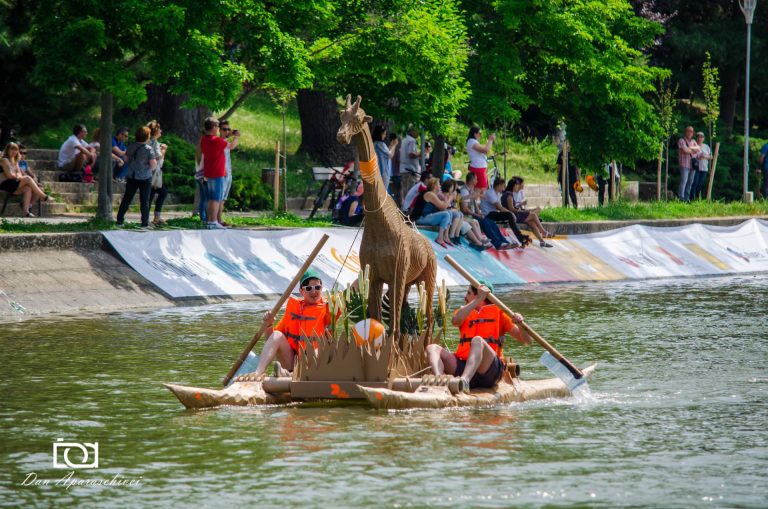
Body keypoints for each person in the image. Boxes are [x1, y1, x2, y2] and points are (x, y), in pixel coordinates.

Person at [425, 281, 531, 391]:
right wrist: (478, 300)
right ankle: (440, 381)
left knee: (478, 341)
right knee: (432, 348)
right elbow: (455, 321)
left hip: (489, 371)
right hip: (463, 366)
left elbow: (527, 341)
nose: (465, 297)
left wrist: (521, 324)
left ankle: (464, 381)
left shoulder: (501, 314)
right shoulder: (463, 312)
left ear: (480, 295)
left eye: (468, 293)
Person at [251, 269, 332, 378]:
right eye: (309, 288)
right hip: (292, 362)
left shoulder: (330, 307)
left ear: (321, 288)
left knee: (318, 349)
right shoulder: (294, 308)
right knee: (277, 335)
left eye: (317, 287)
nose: (314, 291)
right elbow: (270, 339)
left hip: (315, 366)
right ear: (301, 291)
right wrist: (269, 325)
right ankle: (258, 373)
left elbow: (351, 291)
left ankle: (292, 375)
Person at [459, 172, 514, 250]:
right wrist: (477, 214)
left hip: (474, 214)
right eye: (476, 179)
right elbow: (465, 209)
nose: (477, 181)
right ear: (472, 180)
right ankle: (498, 244)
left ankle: (504, 241)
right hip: (469, 215)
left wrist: (479, 212)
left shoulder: (472, 190)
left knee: (491, 222)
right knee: (485, 223)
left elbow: (475, 205)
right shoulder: (465, 191)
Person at [115, 126, 157, 228]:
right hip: (145, 177)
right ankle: (144, 223)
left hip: (132, 176)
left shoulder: (130, 146)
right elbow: (153, 164)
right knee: (145, 201)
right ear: (147, 137)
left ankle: (119, 220)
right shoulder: (148, 149)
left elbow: (126, 158)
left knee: (127, 198)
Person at [1, 142, 51, 216]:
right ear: (7, 150)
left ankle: (26, 211)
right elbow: (9, 175)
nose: (14, 152)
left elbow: (18, 173)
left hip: (13, 184)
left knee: (28, 188)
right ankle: (43, 196)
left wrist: (18, 176)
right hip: (5, 184)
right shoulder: (4, 160)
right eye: (12, 149)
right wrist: (18, 177)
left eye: (16, 150)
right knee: (27, 178)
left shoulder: (15, 161)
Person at [440, 178, 490, 249]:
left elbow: (463, 198)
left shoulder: (455, 194)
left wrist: (474, 196)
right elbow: (448, 207)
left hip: (458, 216)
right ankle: (478, 242)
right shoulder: (447, 195)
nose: (456, 187)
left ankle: (480, 240)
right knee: (468, 224)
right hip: (454, 217)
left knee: (474, 221)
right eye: (454, 186)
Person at [197, 117, 229, 229]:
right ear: (214, 127)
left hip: (208, 174)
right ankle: (213, 221)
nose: (219, 128)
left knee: (210, 199)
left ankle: (210, 221)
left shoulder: (204, 139)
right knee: (216, 199)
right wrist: (236, 138)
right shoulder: (217, 140)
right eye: (218, 126)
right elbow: (230, 146)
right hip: (217, 174)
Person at [502, 178, 553, 248]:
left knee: (532, 223)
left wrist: (521, 209)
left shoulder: (508, 194)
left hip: (514, 215)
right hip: (513, 216)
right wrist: (523, 211)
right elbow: (511, 209)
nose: (518, 187)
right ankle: (543, 232)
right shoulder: (509, 195)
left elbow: (512, 208)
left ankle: (542, 241)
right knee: (533, 215)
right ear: (514, 186)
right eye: (517, 185)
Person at [480, 177, 530, 248]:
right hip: (488, 214)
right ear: (499, 185)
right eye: (503, 186)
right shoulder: (490, 193)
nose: (504, 188)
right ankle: (520, 237)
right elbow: (499, 207)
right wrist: (511, 213)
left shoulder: (497, 194)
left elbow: (500, 208)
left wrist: (511, 214)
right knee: (510, 215)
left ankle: (520, 238)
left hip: (494, 213)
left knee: (511, 215)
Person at [411, 177, 460, 248]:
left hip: (425, 217)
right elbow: (443, 206)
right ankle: (440, 238)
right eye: (439, 184)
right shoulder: (430, 194)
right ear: (434, 186)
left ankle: (445, 236)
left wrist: (448, 198)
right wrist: (451, 197)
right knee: (446, 214)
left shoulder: (432, 194)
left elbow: (444, 206)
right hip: (420, 218)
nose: (440, 186)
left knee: (448, 212)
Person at [217, 119, 241, 227]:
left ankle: (219, 219)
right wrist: (236, 137)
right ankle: (217, 220)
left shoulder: (224, 140)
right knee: (220, 198)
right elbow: (231, 146)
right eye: (224, 129)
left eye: (228, 129)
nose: (226, 131)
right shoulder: (219, 141)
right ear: (219, 130)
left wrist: (231, 134)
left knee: (223, 199)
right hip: (223, 173)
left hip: (228, 173)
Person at [146, 120, 169, 225]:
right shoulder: (154, 142)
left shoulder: (151, 141)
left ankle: (155, 217)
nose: (161, 131)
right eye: (159, 129)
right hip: (153, 172)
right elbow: (157, 156)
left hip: (154, 172)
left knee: (156, 193)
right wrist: (164, 149)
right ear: (155, 131)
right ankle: (150, 218)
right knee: (153, 194)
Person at [677, 126, 700, 201]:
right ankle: (681, 198)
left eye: (691, 131)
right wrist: (693, 149)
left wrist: (690, 148)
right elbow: (685, 151)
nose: (690, 133)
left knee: (690, 183)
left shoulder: (693, 141)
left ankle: (687, 199)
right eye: (688, 131)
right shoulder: (681, 140)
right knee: (683, 181)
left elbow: (699, 149)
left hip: (692, 165)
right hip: (684, 164)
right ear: (685, 132)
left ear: (693, 133)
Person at [372, 125, 397, 192]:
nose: (385, 136)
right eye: (384, 134)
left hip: (378, 172)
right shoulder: (380, 144)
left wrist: (391, 145)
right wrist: (394, 145)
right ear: (380, 134)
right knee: (382, 194)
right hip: (383, 173)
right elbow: (390, 155)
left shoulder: (375, 144)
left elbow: (386, 153)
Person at [399, 127, 422, 199]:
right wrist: (420, 154)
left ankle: (404, 208)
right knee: (409, 192)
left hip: (404, 169)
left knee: (405, 191)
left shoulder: (404, 139)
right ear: (412, 131)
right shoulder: (412, 140)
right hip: (410, 170)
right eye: (417, 131)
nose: (418, 134)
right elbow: (411, 154)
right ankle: (407, 209)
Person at [556, 144, 581, 208]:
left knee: (571, 192)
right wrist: (558, 176)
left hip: (572, 177)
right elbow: (559, 166)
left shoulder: (575, 154)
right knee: (564, 193)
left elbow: (578, 167)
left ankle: (575, 206)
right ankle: (565, 206)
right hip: (563, 176)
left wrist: (579, 177)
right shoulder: (562, 153)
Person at [690, 132, 712, 200]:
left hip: (704, 168)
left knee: (700, 184)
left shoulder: (706, 146)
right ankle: (691, 198)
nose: (700, 138)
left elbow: (711, 157)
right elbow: (692, 155)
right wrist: (699, 156)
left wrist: (705, 156)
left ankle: (697, 198)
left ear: (704, 138)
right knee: (695, 183)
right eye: (699, 137)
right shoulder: (694, 145)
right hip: (696, 168)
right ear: (697, 138)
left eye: (701, 137)